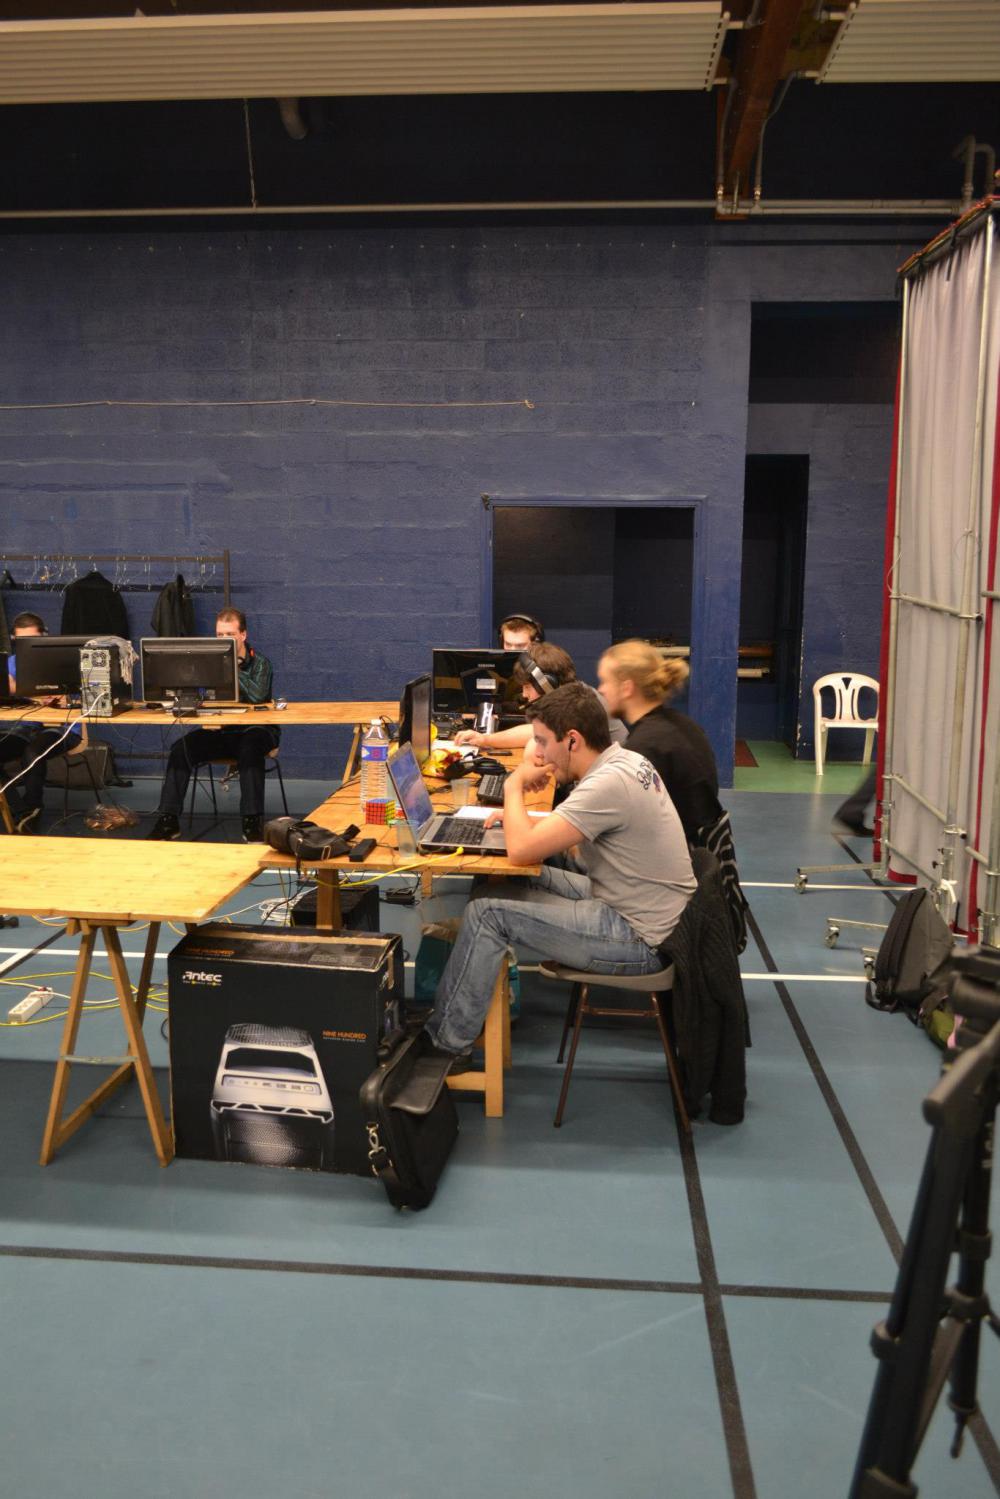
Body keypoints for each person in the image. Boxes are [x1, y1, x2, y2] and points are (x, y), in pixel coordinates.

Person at [424, 682, 696, 1063]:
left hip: (639, 936)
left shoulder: (606, 784)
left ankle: (445, 1048)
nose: (537, 752)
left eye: (541, 741)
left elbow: (521, 851)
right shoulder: (624, 761)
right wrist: (519, 818)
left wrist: (514, 787)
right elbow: (565, 829)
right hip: (638, 906)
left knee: (487, 913)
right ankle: (466, 1013)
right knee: (503, 886)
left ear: (572, 740)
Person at [147, 607, 278, 843]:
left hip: (258, 731)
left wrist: (230, 667)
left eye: (230, 635)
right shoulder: (207, 664)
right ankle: (168, 820)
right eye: (219, 635)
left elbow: (257, 696)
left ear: (243, 635)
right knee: (181, 749)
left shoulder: (261, 663)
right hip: (223, 731)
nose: (224, 640)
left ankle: (252, 822)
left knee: (250, 748)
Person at [597, 640, 722, 844]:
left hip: (674, 852)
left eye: (605, 681)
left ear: (627, 688)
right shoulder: (683, 725)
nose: (601, 690)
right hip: (699, 846)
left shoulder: (643, 748)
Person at [456, 640, 627, 756]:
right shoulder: (574, 694)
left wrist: (485, 739)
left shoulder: (580, 703)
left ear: (547, 684)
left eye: (527, 687)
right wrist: (484, 739)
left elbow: (534, 733)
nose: (524, 694)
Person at [2, 612, 82, 833]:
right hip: (26, 725)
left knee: (33, 752)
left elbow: (89, 697)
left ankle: (33, 807)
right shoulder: (10, 664)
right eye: (21, 641)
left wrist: (68, 698)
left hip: (63, 727)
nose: (26, 646)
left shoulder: (65, 661)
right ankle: (19, 811)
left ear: (44, 636)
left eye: (31, 640)